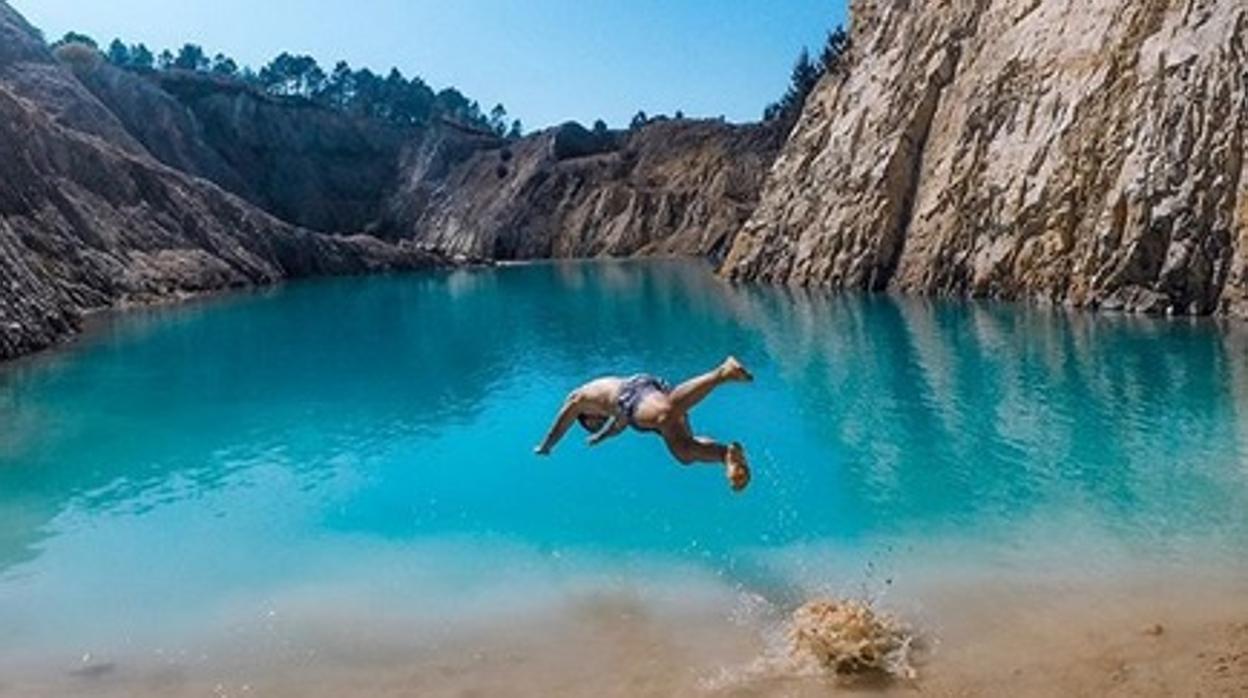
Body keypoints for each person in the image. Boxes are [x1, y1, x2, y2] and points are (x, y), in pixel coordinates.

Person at [534, 357, 754, 491]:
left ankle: (722, 373)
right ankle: (725, 455)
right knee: (684, 451)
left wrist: (547, 445)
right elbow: (616, 426)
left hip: (632, 392)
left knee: (666, 413)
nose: (599, 423)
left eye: (593, 425)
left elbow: (564, 418)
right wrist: (599, 437)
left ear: (586, 417)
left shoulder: (580, 398)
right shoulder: (613, 411)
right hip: (637, 398)